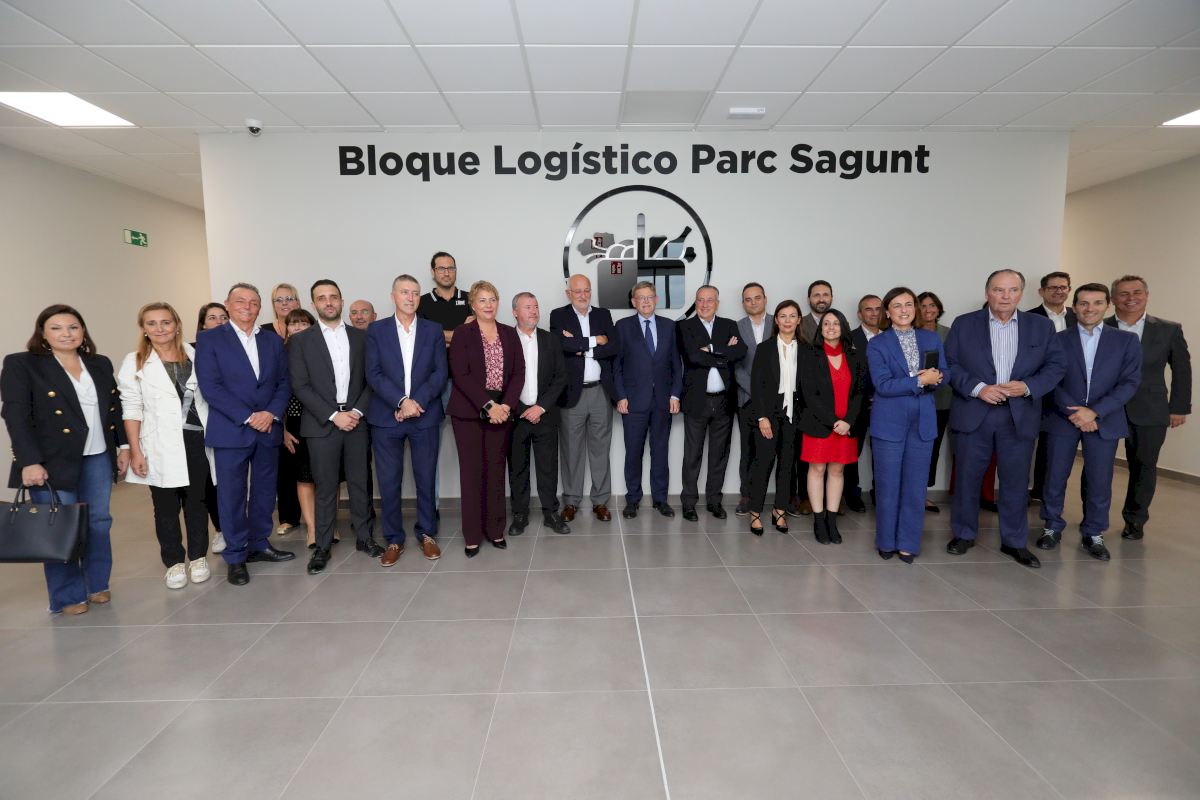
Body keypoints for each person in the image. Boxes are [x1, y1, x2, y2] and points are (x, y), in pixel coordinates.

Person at [2, 305, 130, 615]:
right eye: (56, 328)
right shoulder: (22, 364)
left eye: (73, 327)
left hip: (97, 455)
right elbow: (16, 416)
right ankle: (68, 596)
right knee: (58, 525)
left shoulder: (99, 363)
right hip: (50, 460)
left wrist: (123, 446)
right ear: (43, 334)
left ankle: (97, 584)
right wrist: (29, 461)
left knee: (98, 522)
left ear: (83, 331)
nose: (66, 334)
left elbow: (113, 408)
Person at [945, 269, 1065, 568]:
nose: (1005, 296)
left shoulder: (1041, 326)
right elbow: (951, 365)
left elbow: (1056, 366)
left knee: (1015, 482)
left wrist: (1028, 386)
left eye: (1012, 290)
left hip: (1018, 415)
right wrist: (979, 388)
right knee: (967, 479)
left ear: (1021, 294)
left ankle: (1014, 541)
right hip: (974, 412)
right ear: (988, 292)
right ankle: (963, 534)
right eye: (999, 290)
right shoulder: (964, 324)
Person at [195, 283, 295, 586]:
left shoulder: (272, 340)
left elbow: (284, 382)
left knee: (265, 491)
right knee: (231, 495)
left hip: (268, 429)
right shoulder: (209, 339)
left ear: (260, 308)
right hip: (231, 429)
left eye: (253, 302)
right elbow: (211, 387)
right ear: (227, 305)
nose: (247, 307)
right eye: (240, 301)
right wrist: (249, 417)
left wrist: (271, 413)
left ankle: (259, 544)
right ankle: (236, 555)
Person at [1037, 284, 1142, 561]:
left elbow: (1129, 382)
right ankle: (1051, 526)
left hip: (1104, 420)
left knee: (1100, 479)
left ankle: (1093, 532)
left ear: (1108, 305)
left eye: (1097, 303)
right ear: (1074, 307)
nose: (1090, 309)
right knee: (1054, 476)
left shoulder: (1127, 341)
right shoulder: (1057, 339)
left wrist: (1094, 412)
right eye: (1083, 303)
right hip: (1062, 418)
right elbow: (1050, 379)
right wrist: (1076, 412)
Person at [289, 280, 383, 575]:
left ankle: (365, 538)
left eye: (333, 297)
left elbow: (371, 379)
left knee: (360, 482)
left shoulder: (362, 337)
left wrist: (356, 411)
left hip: (356, 420)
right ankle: (322, 545)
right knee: (325, 487)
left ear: (341, 301)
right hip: (321, 424)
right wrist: (333, 415)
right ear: (313, 304)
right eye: (322, 298)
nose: (328, 302)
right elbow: (300, 386)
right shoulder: (301, 341)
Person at [119, 302, 213, 590]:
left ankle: (198, 557)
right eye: (152, 323)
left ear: (176, 325)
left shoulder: (195, 354)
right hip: (159, 442)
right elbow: (131, 408)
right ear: (144, 329)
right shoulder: (135, 361)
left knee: (197, 502)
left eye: (166, 322)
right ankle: (173, 562)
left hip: (197, 439)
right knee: (165, 506)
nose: (160, 328)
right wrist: (135, 450)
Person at [365, 274, 446, 566]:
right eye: (404, 292)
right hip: (387, 417)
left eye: (414, 293)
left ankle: (427, 534)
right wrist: (401, 401)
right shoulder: (377, 330)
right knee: (388, 482)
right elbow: (373, 373)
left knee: (426, 478)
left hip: (424, 415)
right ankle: (394, 539)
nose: (410, 298)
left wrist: (416, 403)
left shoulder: (433, 330)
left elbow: (440, 372)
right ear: (393, 296)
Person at [1105, 275, 1191, 540]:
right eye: (1123, 293)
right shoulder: (1101, 326)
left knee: (1144, 465)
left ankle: (1135, 520)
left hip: (1151, 408)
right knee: (1098, 464)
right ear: (1113, 299)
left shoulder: (1169, 329)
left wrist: (1179, 407)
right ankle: (1093, 518)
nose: (1131, 298)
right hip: (1105, 407)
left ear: (1146, 295)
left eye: (1137, 292)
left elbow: (1182, 370)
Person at [868, 288, 948, 563]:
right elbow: (883, 385)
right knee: (888, 486)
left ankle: (908, 543)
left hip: (923, 421)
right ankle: (886, 541)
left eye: (908, 304)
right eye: (897, 305)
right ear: (887, 312)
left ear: (915, 308)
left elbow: (945, 373)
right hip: (889, 422)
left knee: (915, 488)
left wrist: (937, 377)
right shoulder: (878, 344)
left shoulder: (930, 338)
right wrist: (919, 381)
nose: (904, 310)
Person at [448, 281, 525, 556]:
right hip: (469, 412)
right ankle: (472, 535)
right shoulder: (462, 333)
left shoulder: (509, 333)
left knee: (496, 471)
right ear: (472, 304)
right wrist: (488, 405)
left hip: (501, 412)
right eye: (482, 300)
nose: (488, 304)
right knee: (472, 474)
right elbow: (460, 374)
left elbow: (518, 373)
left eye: (492, 299)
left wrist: (505, 406)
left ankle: (495, 530)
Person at [550, 274, 619, 522]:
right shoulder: (558, 315)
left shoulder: (603, 315)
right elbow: (560, 345)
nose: (583, 295)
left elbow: (614, 346)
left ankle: (600, 502)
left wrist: (580, 347)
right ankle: (571, 501)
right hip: (572, 393)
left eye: (586, 290)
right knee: (571, 450)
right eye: (577, 291)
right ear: (568, 293)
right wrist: (595, 341)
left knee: (601, 449)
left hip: (600, 391)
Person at [614, 281, 683, 518]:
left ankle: (660, 499)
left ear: (656, 300)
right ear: (633, 302)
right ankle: (632, 499)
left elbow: (676, 364)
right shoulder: (623, 327)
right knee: (633, 452)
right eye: (640, 298)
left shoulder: (669, 326)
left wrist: (675, 394)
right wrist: (621, 396)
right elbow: (616, 366)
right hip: (633, 402)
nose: (645, 301)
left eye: (649, 297)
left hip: (663, 401)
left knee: (660, 452)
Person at [677, 285, 746, 521]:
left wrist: (713, 349)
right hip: (697, 400)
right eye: (700, 300)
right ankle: (688, 503)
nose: (704, 304)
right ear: (695, 302)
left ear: (717, 302)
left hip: (724, 401)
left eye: (709, 300)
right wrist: (724, 353)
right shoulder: (685, 326)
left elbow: (741, 351)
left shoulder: (729, 325)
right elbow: (693, 356)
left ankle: (714, 501)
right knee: (692, 455)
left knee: (719, 455)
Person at [798, 309, 865, 545]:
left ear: (843, 327)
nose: (831, 327)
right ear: (821, 328)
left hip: (846, 426)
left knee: (837, 471)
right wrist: (834, 422)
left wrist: (848, 421)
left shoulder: (854, 356)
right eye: (826, 323)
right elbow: (809, 395)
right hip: (819, 425)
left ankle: (831, 520)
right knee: (817, 470)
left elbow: (859, 393)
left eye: (836, 323)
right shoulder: (810, 354)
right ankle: (819, 521)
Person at [508, 292, 569, 536]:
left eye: (536, 306)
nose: (534, 311)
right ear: (515, 312)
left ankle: (551, 513)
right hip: (515, 416)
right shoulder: (505, 340)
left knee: (548, 467)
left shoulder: (550, 339)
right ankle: (519, 514)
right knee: (517, 467)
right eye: (527, 307)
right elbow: (500, 381)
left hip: (545, 414)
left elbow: (560, 377)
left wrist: (540, 407)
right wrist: (522, 409)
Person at [747, 300, 803, 535]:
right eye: (783, 316)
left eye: (792, 316)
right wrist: (762, 417)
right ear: (776, 320)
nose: (788, 320)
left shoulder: (807, 349)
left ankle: (779, 510)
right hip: (769, 413)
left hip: (794, 415)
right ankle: (755, 512)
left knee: (787, 465)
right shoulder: (765, 348)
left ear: (799, 320)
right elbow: (756, 385)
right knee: (763, 463)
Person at [1028, 272, 1076, 502]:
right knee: (1026, 444)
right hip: (1034, 390)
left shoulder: (1079, 317)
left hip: (1067, 392)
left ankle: (1044, 492)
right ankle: (1028, 490)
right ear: (1042, 291)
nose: (1059, 291)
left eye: (1063, 287)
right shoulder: (1029, 318)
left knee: (1054, 445)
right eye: (1053, 287)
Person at [266, 283, 302, 536]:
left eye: (290, 298)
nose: (285, 303)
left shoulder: (309, 329)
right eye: (279, 300)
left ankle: (318, 517)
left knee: (310, 468)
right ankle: (289, 517)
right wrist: (281, 423)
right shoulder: (265, 334)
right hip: (278, 411)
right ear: (273, 305)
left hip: (308, 411)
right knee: (285, 466)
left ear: (298, 302)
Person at [734, 282, 773, 516]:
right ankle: (747, 495)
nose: (753, 302)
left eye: (757, 298)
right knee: (747, 450)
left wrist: (769, 393)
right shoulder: (735, 327)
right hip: (747, 398)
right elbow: (736, 365)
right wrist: (756, 392)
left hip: (776, 400)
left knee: (774, 449)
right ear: (743, 303)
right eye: (748, 299)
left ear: (765, 299)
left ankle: (782, 496)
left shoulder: (779, 323)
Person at [281, 310, 318, 550]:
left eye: (303, 323)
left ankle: (329, 525)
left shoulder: (321, 351)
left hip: (323, 419)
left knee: (329, 476)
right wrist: (283, 428)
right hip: (294, 422)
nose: (297, 327)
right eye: (293, 324)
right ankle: (312, 528)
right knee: (304, 475)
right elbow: (276, 392)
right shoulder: (280, 354)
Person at [194, 302, 227, 554]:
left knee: (229, 483)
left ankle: (236, 528)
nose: (219, 322)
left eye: (223, 317)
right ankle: (221, 530)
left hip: (233, 423)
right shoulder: (193, 350)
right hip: (201, 425)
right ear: (203, 324)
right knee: (209, 482)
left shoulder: (239, 347)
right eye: (212, 317)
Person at [845, 294, 882, 513]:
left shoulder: (891, 337)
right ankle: (852, 494)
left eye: (878, 309)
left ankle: (881, 492)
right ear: (860, 314)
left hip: (886, 405)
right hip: (857, 406)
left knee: (883, 452)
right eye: (869, 309)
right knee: (852, 452)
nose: (874, 313)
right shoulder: (849, 338)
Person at [916, 291, 952, 512]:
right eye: (923, 305)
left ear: (939, 309)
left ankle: (923, 493)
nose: (928, 310)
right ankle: (911, 492)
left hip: (942, 399)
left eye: (932, 305)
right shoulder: (910, 333)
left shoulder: (949, 333)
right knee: (915, 448)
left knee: (933, 448)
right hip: (915, 397)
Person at [346, 298, 379, 529]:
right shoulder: (345, 340)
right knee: (360, 467)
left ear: (374, 316)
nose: (359, 317)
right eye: (354, 313)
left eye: (364, 312)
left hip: (382, 410)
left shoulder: (382, 338)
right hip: (354, 414)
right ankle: (364, 512)